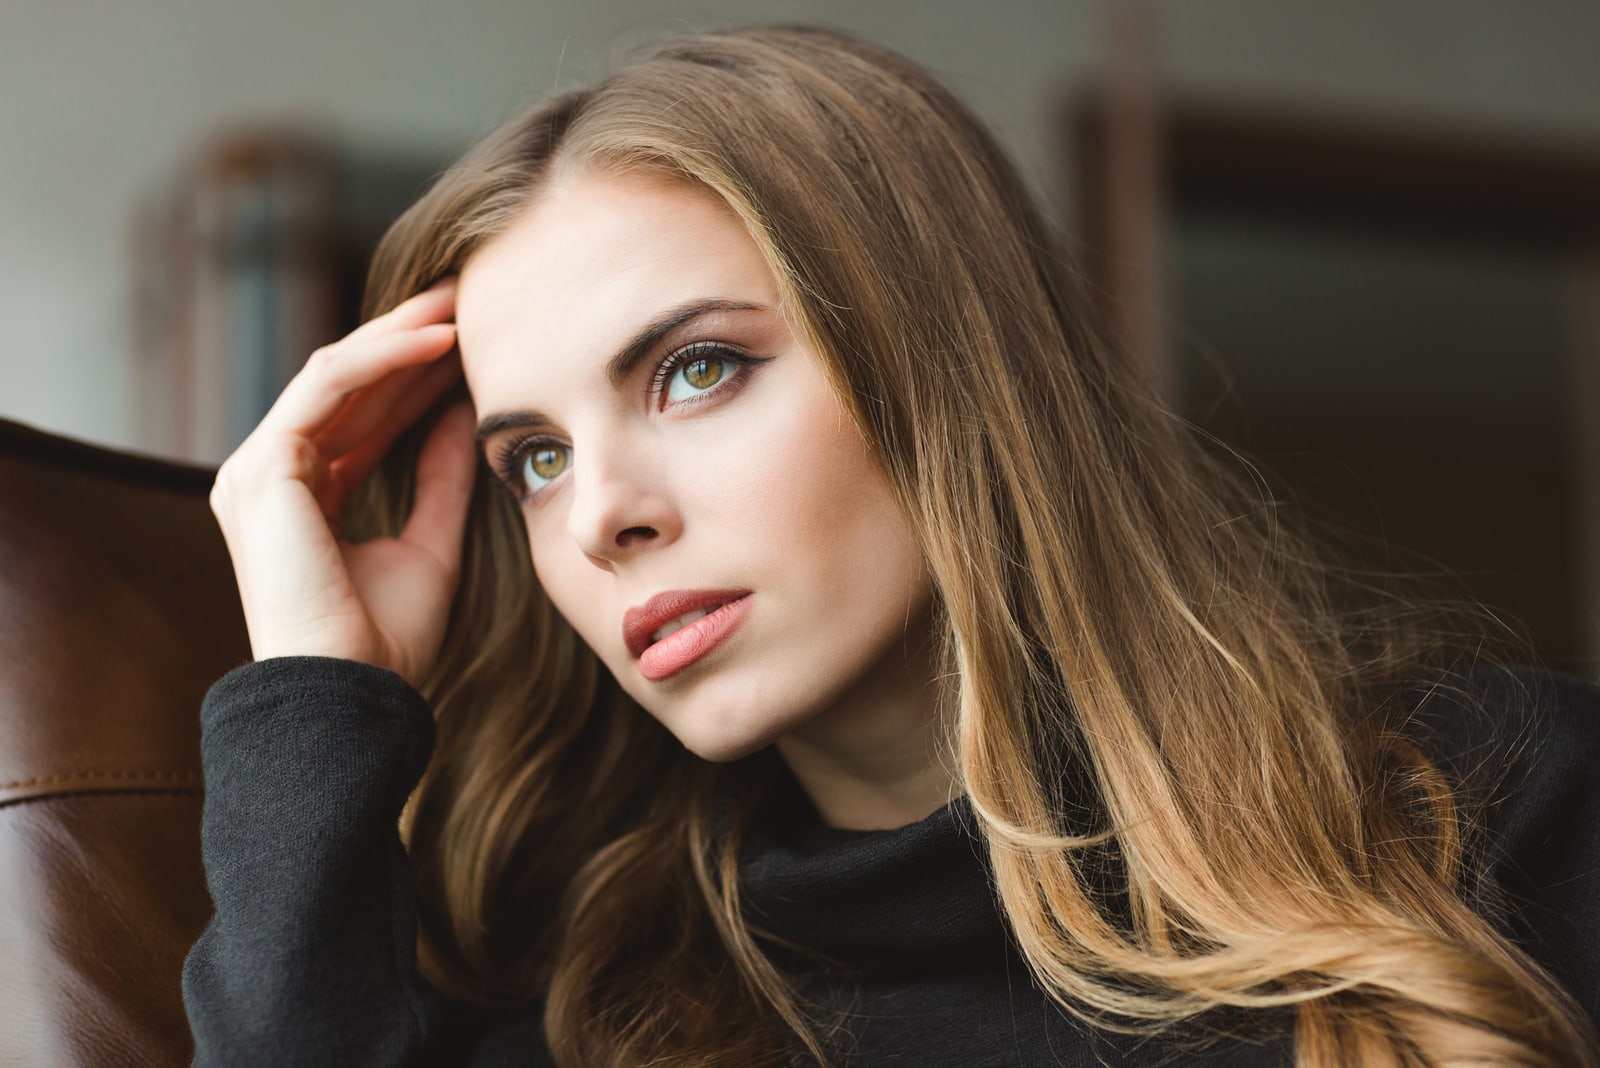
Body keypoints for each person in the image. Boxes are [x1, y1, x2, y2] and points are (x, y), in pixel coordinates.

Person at [183, 23, 1600, 1068]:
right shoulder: (588, 1031)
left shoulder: (1501, 817)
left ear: (940, 365)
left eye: (694, 371)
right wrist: (314, 694)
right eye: (534, 459)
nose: (604, 513)